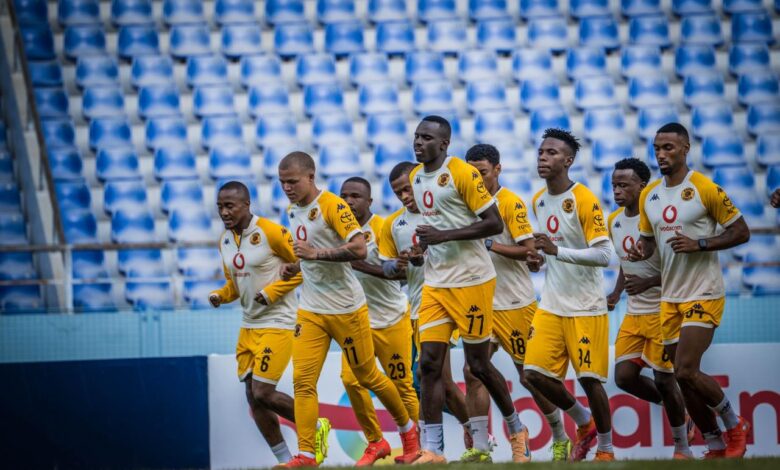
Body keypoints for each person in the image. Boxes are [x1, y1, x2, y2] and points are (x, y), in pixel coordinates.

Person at [275, 152, 419, 468]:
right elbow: (309, 253)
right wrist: (295, 265)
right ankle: (307, 455)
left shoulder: (333, 206)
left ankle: (408, 432)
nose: (287, 188)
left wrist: (315, 254)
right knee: (302, 381)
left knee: (368, 377)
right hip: (310, 309)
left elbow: (358, 248)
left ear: (310, 177)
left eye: (292, 181)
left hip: (347, 308)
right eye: (282, 182)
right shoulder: (292, 210)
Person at [408, 116, 531, 464]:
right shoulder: (416, 177)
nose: (418, 143)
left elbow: (493, 223)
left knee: (478, 366)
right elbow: (435, 225)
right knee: (429, 365)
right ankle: (433, 450)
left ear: (444, 144)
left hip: (473, 281)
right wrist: (421, 249)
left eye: (426, 138)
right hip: (436, 283)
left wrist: (442, 236)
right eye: (416, 136)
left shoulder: (462, 173)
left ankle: (516, 429)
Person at [627, 123, 751, 459]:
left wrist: (701, 243)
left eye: (668, 147)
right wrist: (640, 252)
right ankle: (714, 444)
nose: (661, 154)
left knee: (685, 369)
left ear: (685, 148)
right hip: (670, 297)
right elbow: (648, 243)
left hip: (703, 292)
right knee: (681, 379)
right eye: (657, 148)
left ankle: (734, 423)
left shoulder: (704, 188)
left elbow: (741, 232)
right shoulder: (649, 195)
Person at [462, 144, 573, 463]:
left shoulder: (509, 202)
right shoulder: (463, 202)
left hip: (514, 303)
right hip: (479, 302)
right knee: (473, 371)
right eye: (472, 174)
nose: (477, 179)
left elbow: (529, 250)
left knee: (530, 376)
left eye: (482, 172)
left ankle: (560, 436)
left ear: (497, 170)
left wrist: (489, 243)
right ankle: (481, 447)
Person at [208, 181, 328, 465]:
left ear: (246, 204)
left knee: (263, 392)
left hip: (279, 322)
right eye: (220, 207)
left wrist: (271, 292)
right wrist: (220, 295)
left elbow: (305, 268)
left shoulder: (271, 232)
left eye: (230, 206)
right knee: (253, 397)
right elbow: (235, 285)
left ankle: (315, 424)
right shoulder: (225, 241)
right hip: (249, 326)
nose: (224, 212)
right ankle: (285, 460)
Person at [524, 128, 615, 462]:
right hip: (551, 303)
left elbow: (605, 255)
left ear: (568, 160)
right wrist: (539, 259)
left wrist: (556, 251)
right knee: (533, 374)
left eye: (551, 153)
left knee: (590, 380)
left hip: (586, 306)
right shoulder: (539, 200)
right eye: (541, 152)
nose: (543, 158)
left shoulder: (584, 199)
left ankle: (606, 449)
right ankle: (583, 421)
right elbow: (552, 251)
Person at [377, 162, 473, 460]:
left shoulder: (445, 213)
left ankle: (432, 448)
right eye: (398, 193)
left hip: (448, 301)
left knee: (426, 373)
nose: (405, 196)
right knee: (436, 380)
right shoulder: (393, 225)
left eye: (408, 189)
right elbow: (389, 270)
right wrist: (400, 264)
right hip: (418, 306)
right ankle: (474, 432)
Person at [605, 158, 694, 459]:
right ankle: (683, 411)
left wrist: (648, 283)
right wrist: (617, 292)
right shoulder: (614, 221)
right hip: (634, 313)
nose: (617, 191)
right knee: (624, 377)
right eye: (614, 185)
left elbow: (678, 266)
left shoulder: (657, 221)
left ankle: (682, 448)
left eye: (623, 185)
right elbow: (625, 261)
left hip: (662, 311)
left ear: (642, 187)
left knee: (664, 380)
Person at [336, 177, 419, 466]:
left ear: (369, 201)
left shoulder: (384, 228)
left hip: (391, 317)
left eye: (355, 196)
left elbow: (401, 272)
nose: (348, 201)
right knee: (350, 380)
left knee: (402, 384)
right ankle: (375, 441)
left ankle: (418, 446)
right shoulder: (336, 231)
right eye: (344, 196)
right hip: (355, 320)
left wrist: (361, 265)